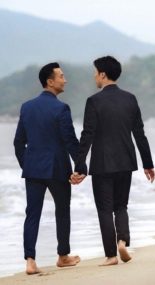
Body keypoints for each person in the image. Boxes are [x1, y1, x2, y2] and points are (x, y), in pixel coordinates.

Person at [73, 56, 155, 266]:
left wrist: (80, 165)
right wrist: (148, 163)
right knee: (121, 206)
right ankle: (122, 241)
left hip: (102, 164)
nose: (94, 76)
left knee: (104, 209)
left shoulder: (94, 101)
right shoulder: (130, 99)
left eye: (95, 72)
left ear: (102, 74)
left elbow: (87, 135)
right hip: (125, 161)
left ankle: (111, 255)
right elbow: (139, 134)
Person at [13, 63, 84, 274]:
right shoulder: (61, 108)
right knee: (62, 211)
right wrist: (80, 167)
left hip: (33, 169)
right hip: (57, 169)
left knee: (32, 213)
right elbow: (70, 141)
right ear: (50, 81)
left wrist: (27, 164)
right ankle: (63, 256)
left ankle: (30, 261)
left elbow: (18, 143)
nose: (65, 79)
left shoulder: (27, 107)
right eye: (61, 76)